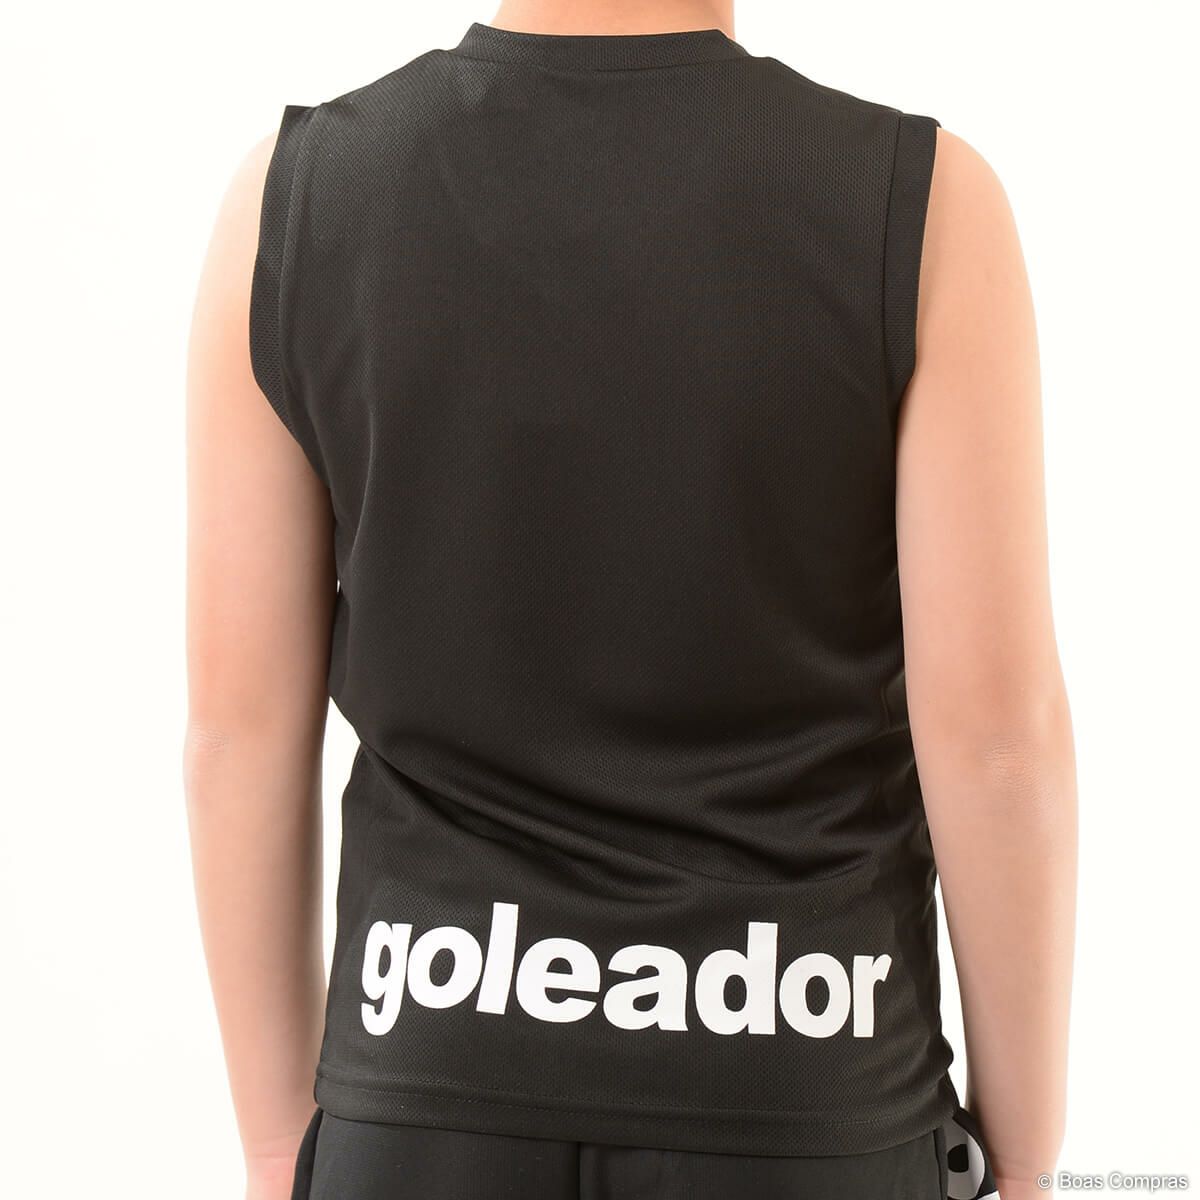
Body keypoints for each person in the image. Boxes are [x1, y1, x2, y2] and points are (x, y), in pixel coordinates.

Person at [184, 2, 1078, 1197]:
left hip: (428, 1062)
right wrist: (1023, 1158)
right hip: (804, 1069)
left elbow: (237, 734)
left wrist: (271, 1146)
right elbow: (997, 745)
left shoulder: (295, 203)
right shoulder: (924, 210)